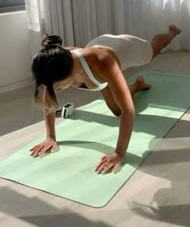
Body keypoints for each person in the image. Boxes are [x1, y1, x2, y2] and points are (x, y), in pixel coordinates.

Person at [30, 25, 181, 173]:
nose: (54, 91)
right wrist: (50, 137)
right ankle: (137, 85)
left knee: (153, 49)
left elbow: (128, 111)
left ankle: (172, 32)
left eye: (58, 87)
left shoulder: (103, 62)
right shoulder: (54, 63)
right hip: (99, 52)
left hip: (126, 48)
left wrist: (119, 153)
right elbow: (47, 101)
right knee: (116, 111)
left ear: (71, 71)